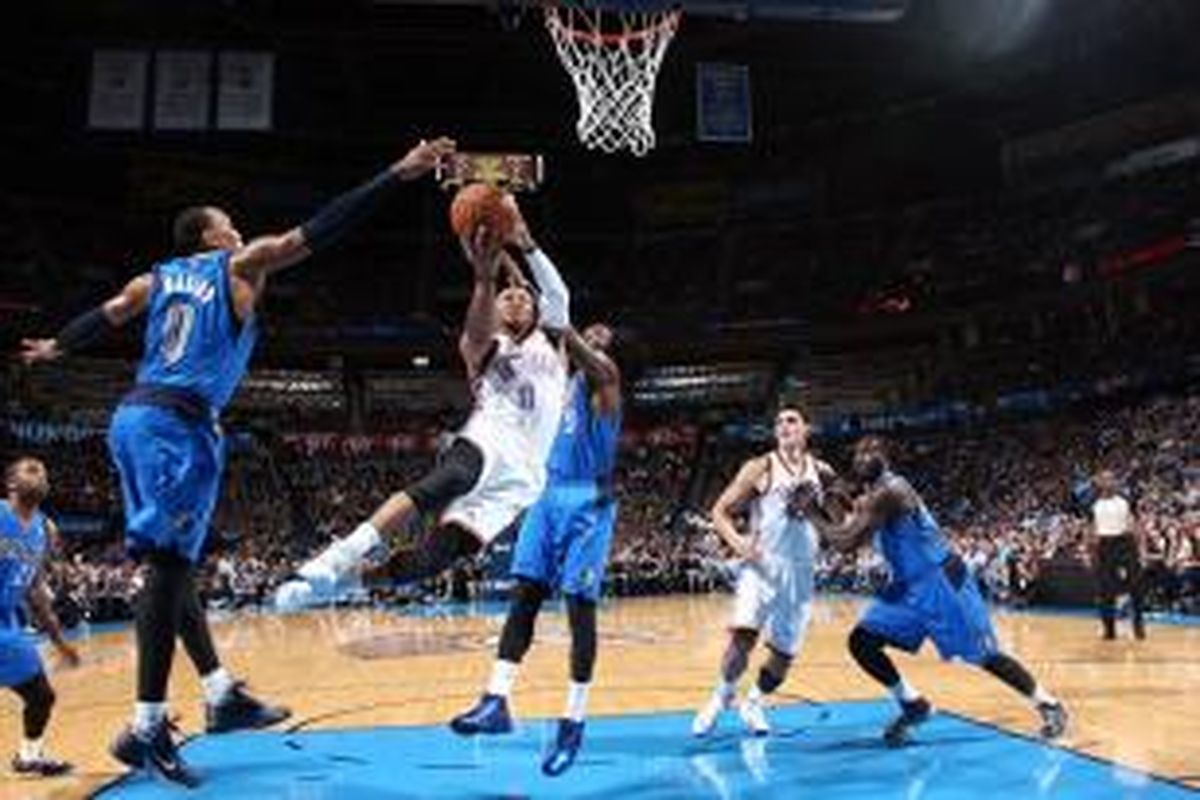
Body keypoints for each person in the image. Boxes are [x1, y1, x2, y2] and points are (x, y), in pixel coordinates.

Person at [20, 137, 454, 785]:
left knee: (177, 566)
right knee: (166, 573)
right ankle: (147, 725)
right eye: (228, 221)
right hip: (176, 427)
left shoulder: (153, 279)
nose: (239, 227)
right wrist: (399, 171)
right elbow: (321, 230)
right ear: (210, 236)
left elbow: (106, 316)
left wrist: (59, 343)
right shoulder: (238, 264)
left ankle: (220, 692)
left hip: (137, 417)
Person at [276, 197, 572, 609]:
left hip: (526, 474)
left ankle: (340, 586)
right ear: (496, 311)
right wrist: (486, 281)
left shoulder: (553, 339)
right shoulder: (486, 346)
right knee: (445, 482)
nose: (518, 299)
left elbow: (556, 293)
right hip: (491, 437)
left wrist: (527, 243)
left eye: (523, 297)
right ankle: (339, 554)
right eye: (508, 299)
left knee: (431, 562)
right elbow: (478, 327)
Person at [793, 436, 1068, 745]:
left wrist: (812, 512)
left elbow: (845, 541)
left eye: (870, 451)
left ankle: (1049, 704)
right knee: (862, 642)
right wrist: (828, 496)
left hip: (941, 581)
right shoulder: (872, 497)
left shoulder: (892, 491)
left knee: (984, 656)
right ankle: (913, 704)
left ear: (886, 458)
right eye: (857, 453)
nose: (861, 457)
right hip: (907, 586)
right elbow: (846, 523)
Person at [449, 321, 621, 777]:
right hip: (547, 497)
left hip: (589, 500)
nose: (597, 335)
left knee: (578, 609)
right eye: (591, 331)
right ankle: (496, 700)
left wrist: (565, 329)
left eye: (604, 335)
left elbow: (595, 364)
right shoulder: (555, 388)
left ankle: (573, 722)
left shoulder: (605, 383)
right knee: (524, 596)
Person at [692, 407, 831, 738]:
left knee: (783, 657)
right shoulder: (761, 467)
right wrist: (738, 543)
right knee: (744, 636)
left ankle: (753, 702)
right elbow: (719, 511)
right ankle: (721, 695)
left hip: (801, 573)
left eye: (792, 420)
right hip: (763, 566)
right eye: (779, 421)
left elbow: (838, 516)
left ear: (806, 429)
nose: (784, 425)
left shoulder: (823, 471)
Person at [0, 458, 81, 777]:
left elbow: (34, 589)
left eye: (42, 471)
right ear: (11, 483)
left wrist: (59, 641)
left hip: (8, 624)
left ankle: (29, 756)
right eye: (29, 469)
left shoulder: (45, 529)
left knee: (41, 696)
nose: (38, 472)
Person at [1090, 470, 1145, 640]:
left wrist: (1140, 550)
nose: (1108, 482)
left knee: (1135, 585)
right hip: (1104, 545)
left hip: (1125, 543)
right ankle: (1109, 629)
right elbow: (1092, 528)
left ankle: (1138, 624)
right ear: (1099, 483)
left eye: (1111, 478)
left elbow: (1135, 525)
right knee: (1105, 590)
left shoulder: (1125, 501)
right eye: (1104, 479)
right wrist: (1091, 551)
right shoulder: (1093, 504)